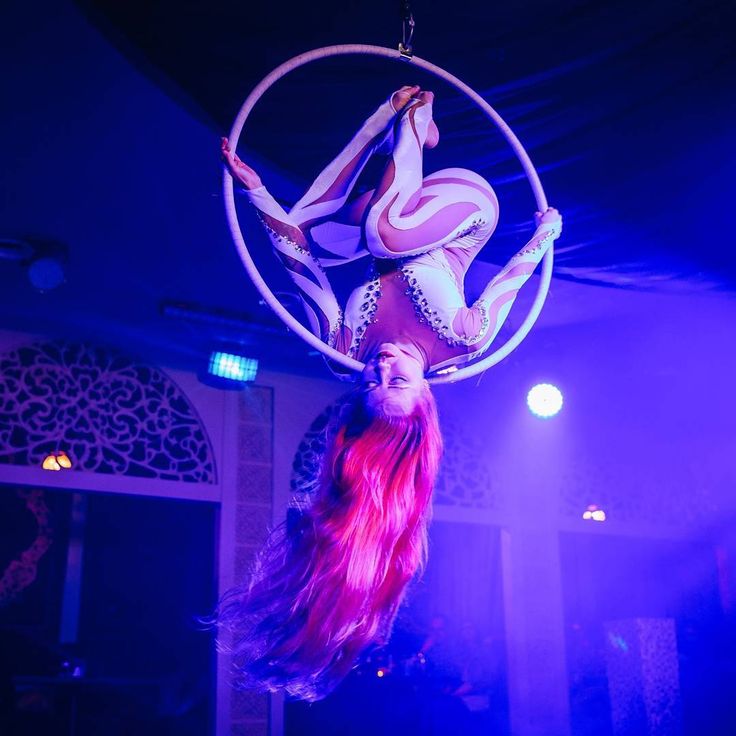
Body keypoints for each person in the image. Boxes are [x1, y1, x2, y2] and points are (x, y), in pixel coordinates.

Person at [217, 87, 562, 701]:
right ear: (427, 397)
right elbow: (515, 273)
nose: (381, 365)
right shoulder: (463, 341)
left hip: (394, 212)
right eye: (395, 380)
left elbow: (296, 258)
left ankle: (398, 127)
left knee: (320, 230)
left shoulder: (345, 344)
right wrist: (545, 234)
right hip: (463, 207)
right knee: (384, 234)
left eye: (373, 382)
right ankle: (409, 124)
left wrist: (253, 188)